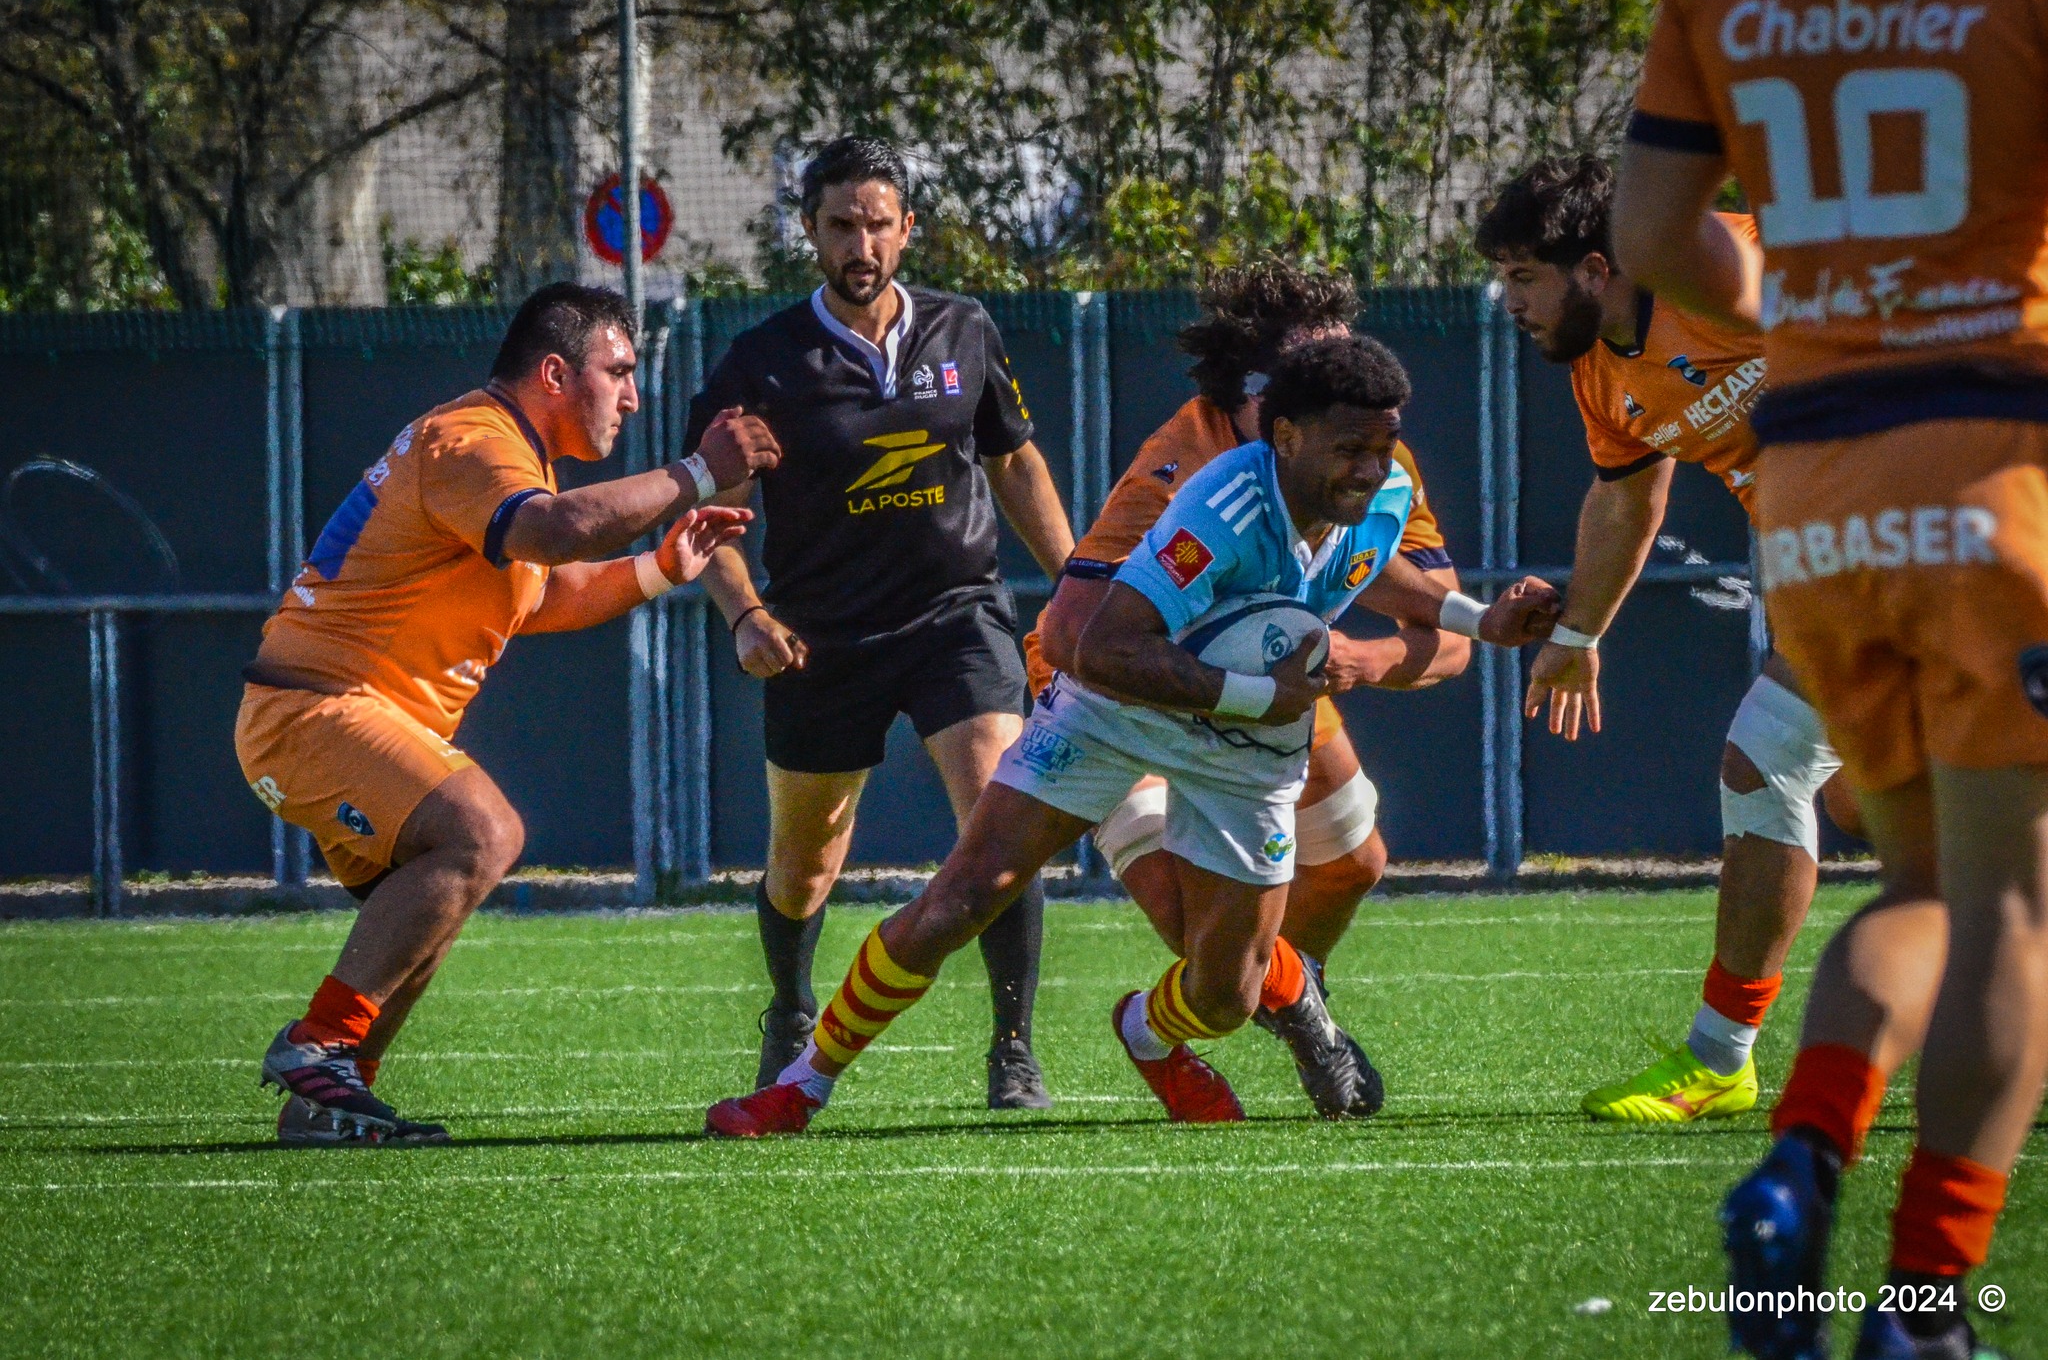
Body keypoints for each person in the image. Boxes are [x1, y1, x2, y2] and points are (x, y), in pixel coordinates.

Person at [701, 334, 1561, 1137]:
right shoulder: (1220, 506)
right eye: (1353, 452)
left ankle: (1148, 1031)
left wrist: (1485, 618)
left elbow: (1375, 566)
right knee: (960, 896)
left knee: (1227, 997)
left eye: (1385, 449)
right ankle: (798, 1086)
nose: (1374, 471)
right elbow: (1107, 647)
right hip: (1121, 705)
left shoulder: (1383, 488)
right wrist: (1256, 691)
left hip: (1251, 744)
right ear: (1288, 435)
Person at [1616, 1, 2048, 1355]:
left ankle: (1803, 1157)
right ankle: (1922, 1301)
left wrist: (1809, 316)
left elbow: (1652, 240)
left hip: (1814, 485)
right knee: (2012, 909)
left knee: (1918, 890)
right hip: (1996, 455)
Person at [236, 283, 777, 1146]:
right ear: (556, 372)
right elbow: (558, 531)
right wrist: (698, 472)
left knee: (436, 899)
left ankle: (328, 1097)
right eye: (620, 371)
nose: (632, 396)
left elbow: (544, 589)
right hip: (315, 710)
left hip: (349, 716)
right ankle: (318, 1046)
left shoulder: (513, 463)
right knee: (483, 832)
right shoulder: (474, 440)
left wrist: (661, 566)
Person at [1025, 260, 1474, 1118]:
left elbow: (1446, 637)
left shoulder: (1366, 448)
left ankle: (1276, 987)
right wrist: (1228, 697)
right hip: (1128, 693)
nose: (1343, 397)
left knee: (1353, 863)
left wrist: (1356, 657)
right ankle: (1272, 1007)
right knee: (1208, 947)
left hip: (1267, 675)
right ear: (1262, 400)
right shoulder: (1181, 460)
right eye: (1316, 378)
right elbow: (1073, 634)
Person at [684, 136, 1075, 1110]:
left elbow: (1013, 462)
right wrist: (745, 614)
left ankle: (1012, 1047)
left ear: (906, 229)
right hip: (819, 637)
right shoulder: (760, 363)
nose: (860, 241)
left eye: (876, 222)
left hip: (958, 618)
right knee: (803, 861)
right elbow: (709, 520)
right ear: (808, 233)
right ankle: (789, 1005)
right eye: (839, 224)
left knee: (1000, 818)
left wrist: (1076, 586)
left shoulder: (964, 329)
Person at [1480, 156, 1862, 1126]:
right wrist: (1575, 629)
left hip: (1925, 525)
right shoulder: (1598, 368)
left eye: (1523, 275)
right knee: (1868, 795)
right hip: (1836, 561)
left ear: (1597, 267)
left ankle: (1718, 1058)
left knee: (1766, 760)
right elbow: (1623, 497)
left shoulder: (1730, 268)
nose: (1507, 299)